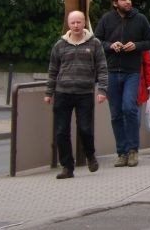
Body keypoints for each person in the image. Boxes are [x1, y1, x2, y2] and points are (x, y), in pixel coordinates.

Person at [95, 0, 150, 168]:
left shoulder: (140, 19)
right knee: (116, 114)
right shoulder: (107, 19)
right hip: (112, 71)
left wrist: (136, 46)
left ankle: (133, 150)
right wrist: (110, 45)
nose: (128, 2)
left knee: (129, 108)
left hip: (132, 72)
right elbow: (97, 41)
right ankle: (121, 152)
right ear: (115, 3)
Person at [44, 10, 108, 179]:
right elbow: (53, 70)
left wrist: (102, 90)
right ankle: (67, 167)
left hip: (84, 93)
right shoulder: (60, 45)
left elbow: (102, 68)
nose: (76, 25)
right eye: (73, 23)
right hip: (63, 92)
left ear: (84, 23)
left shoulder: (94, 43)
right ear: (68, 25)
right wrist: (49, 92)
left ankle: (90, 155)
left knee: (85, 129)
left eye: (79, 22)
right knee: (61, 132)